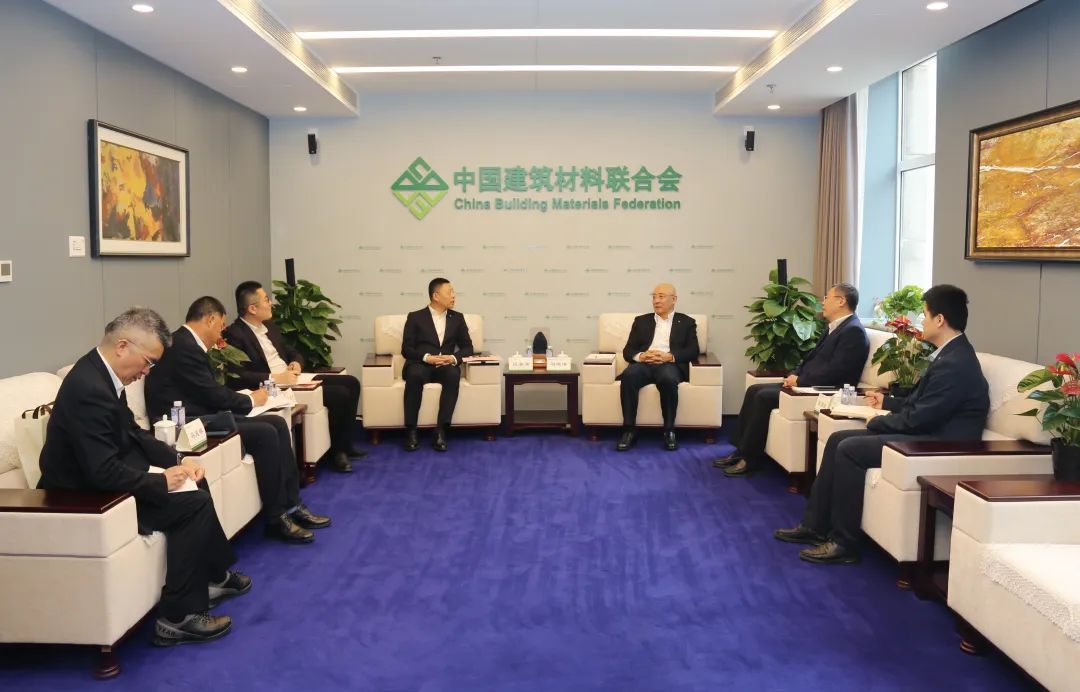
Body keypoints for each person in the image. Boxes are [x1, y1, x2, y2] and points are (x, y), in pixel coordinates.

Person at [37, 308, 250, 646]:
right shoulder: (88, 388)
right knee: (192, 504)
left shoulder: (103, 375)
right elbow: (102, 471)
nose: (147, 372)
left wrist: (179, 460)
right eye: (148, 362)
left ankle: (212, 576)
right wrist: (160, 481)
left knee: (194, 480)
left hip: (102, 480)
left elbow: (134, 434)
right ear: (123, 346)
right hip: (84, 497)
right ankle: (178, 617)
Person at [774, 285, 990, 565]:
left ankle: (844, 543)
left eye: (924, 315)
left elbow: (918, 418)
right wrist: (886, 403)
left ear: (940, 320)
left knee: (849, 449)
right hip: (929, 430)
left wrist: (877, 420)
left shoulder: (956, 363)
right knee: (839, 439)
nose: (921, 321)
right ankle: (815, 526)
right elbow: (922, 403)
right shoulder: (950, 354)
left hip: (940, 442)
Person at [145, 296, 331, 544]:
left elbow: (208, 391)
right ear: (210, 319)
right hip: (185, 423)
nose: (221, 332)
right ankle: (276, 518)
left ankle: (292, 505)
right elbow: (210, 393)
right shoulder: (182, 346)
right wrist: (251, 400)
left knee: (276, 423)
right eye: (221, 325)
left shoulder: (186, 342)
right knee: (265, 432)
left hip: (202, 413)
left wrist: (247, 400)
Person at [716, 282, 870, 477]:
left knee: (763, 397)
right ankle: (740, 450)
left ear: (841, 301)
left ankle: (750, 458)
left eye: (827, 298)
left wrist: (801, 381)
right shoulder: (834, 327)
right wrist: (794, 375)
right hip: (807, 383)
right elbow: (810, 358)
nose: (823, 302)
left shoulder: (853, 332)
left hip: (826, 391)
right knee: (755, 390)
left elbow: (835, 371)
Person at [223, 281, 364, 473]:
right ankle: (338, 452)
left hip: (294, 378)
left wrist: (296, 362)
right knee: (339, 394)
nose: (271, 303)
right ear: (252, 308)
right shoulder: (235, 334)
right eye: (266, 300)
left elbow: (291, 351)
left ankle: (346, 444)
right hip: (275, 387)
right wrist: (276, 378)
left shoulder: (269, 326)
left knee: (352, 383)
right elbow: (238, 376)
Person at [616, 283, 700, 452]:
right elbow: (628, 350)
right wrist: (641, 356)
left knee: (668, 378)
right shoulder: (641, 321)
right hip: (644, 364)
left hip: (668, 364)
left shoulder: (687, 322)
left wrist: (670, 356)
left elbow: (693, 350)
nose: (656, 300)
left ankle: (669, 431)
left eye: (661, 296)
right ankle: (629, 430)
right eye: (654, 297)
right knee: (629, 376)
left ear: (674, 299)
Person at [401, 277, 474, 452]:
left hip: (445, 366)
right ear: (436, 296)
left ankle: (441, 431)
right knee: (414, 375)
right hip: (421, 363)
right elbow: (406, 349)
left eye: (453, 292)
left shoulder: (457, 318)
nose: (454, 296)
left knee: (453, 374)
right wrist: (427, 357)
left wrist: (453, 358)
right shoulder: (415, 317)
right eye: (449, 292)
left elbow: (468, 347)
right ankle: (411, 431)